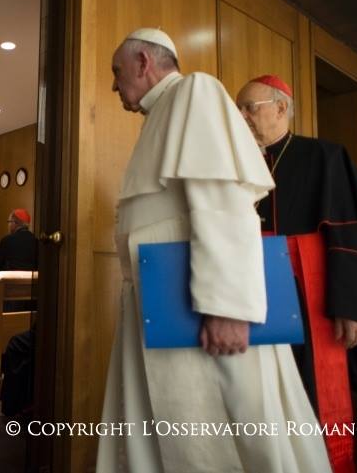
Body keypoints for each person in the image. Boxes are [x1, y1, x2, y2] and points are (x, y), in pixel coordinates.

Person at [98, 28, 331, 473]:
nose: (114, 84)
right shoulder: (160, 113)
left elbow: (223, 201)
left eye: (117, 71)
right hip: (161, 304)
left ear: (144, 62)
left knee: (231, 434)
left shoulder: (194, 91)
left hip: (204, 308)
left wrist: (227, 307)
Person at [236, 74, 357, 471]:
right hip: (248, 287)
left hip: (306, 288)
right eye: (239, 108)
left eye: (251, 107)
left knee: (309, 384)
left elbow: (346, 237)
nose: (242, 115)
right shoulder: (235, 160)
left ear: (281, 108)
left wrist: (350, 306)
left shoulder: (325, 156)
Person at [0, 208, 39, 417]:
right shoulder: (37, 242)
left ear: (15, 223)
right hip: (33, 298)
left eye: (9, 221)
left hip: (9, 295)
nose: (8, 225)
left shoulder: (8, 240)